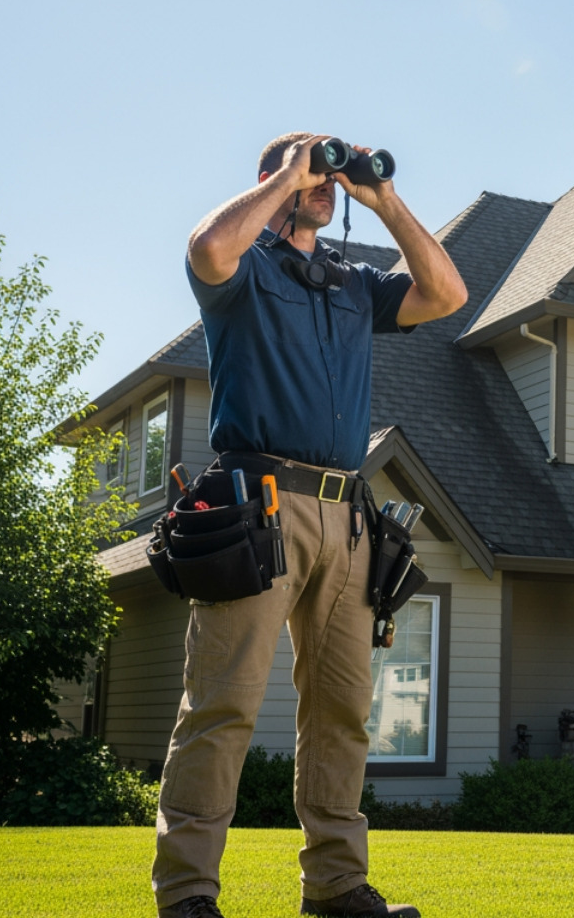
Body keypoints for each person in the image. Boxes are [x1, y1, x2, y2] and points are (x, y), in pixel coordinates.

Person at [153, 132, 467, 918]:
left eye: (329, 175)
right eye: (313, 172)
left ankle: (335, 886)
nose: (326, 183)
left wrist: (381, 197)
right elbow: (206, 248)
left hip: (347, 517)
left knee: (342, 712)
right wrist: (290, 174)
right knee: (222, 706)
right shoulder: (244, 270)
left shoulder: (355, 285)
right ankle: (187, 893)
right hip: (256, 506)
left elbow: (447, 294)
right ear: (273, 176)